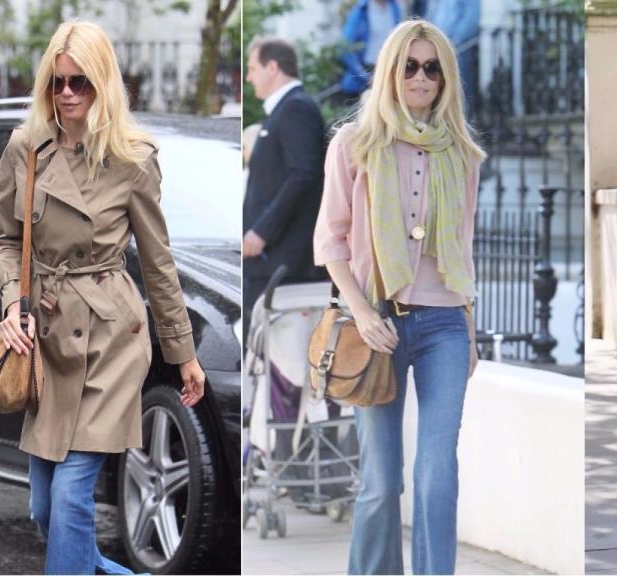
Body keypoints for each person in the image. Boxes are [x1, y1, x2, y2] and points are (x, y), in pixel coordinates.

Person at [0, 21, 205, 574]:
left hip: (111, 341)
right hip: (48, 340)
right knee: (46, 510)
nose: (66, 95)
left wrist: (183, 354)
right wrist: (13, 308)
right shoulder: (26, 147)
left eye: (80, 83)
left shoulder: (133, 158)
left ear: (103, 83)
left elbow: (159, 263)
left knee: (69, 499)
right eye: (57, 83)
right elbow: (7, 241)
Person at [313, 19, 482, 575]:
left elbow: (464, 247)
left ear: (445, 77)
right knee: (382, 484)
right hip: (376, 326)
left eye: (432, 67)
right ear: (390, 71)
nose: (421, 77)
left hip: (443, 327)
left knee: (437, 477)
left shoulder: (462, 153)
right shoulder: (353, 144)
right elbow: (331, 240)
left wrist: (471, 330)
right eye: (410, 65)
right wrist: (361, 313)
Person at [243, 37, 326, 338]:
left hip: (284, 266)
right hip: (270, 265)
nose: (249, 77)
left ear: (273, 67)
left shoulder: (295, 109)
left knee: (281, 367)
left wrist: (261, 231)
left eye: (252, 69)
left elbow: (303, 175)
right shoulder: (284, 110)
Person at [425, 0, 481, 116]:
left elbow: (471, 17)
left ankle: (460, 128)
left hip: (458, 50)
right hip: (435, 48)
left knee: (458, 94)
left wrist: (453, 41)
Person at [340, 0, 403, 97]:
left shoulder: (394, 7)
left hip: (389, 71)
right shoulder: (361, 10)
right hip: (367, 72)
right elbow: (345, 47)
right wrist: (364, 75)